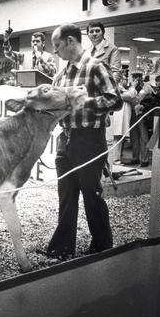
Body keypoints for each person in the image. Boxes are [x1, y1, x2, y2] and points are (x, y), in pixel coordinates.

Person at [44, 23, 122, 260]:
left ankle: (102, 245)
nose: (55, 51)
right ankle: (62, 246)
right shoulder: (60, 74)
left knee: (91, 195)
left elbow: (115, 100)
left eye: (57, 45)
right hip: (65, 140)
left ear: (70, 42)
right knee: (66, 195)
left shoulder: (96, 66)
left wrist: (83, 102)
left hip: (89, 140)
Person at [123, 71, 154, 166]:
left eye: (138, 76)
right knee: (134, 136)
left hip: (142, 114)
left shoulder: (147, 87)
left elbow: (145, 99)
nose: (135, 78)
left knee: (143, 136)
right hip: (132, 113)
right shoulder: (130, 87)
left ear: (142, 77)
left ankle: (144, 159)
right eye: (134, 76)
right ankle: (135, 157)